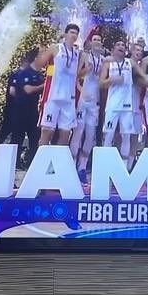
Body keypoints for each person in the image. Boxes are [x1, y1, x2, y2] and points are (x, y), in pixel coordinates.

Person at [38, 25, 81, 149]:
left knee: (65, 134)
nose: (74, 35)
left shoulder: (77, 53)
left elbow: (78, 74)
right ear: (65, 34)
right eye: (71, 32)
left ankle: (57, 166)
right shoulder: (55, 48)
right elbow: (41, 63)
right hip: (53, 96)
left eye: (76, 33)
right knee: (47, 131)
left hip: (69, 98)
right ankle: (41, 162)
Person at [70, 32, 104, 181]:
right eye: (95, 39)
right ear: (90, 42)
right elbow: (76, 75)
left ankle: (82, 167)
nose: (97, 42)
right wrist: (80, 91)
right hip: (83, 101)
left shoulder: (104, 60)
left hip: (95, 103)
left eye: (99, 40)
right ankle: (71, 165)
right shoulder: (84, 56)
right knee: (78, 132)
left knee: (90, 135)